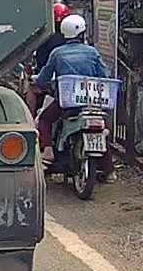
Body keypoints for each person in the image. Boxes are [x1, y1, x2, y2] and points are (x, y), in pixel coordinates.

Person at [32, 14, 108, 163]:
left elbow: (44, 77)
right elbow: (103, 75)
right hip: (90, 101)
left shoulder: (57, 53)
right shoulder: (92, 52)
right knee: (101, 130)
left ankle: (48, 151)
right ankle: (109, 170)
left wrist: (38, 81)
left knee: (44, 120)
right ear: (82, 33)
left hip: (66, 102)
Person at [29, 2, 72, 116]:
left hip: (57, 85)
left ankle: (32, 120)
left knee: (31, 89)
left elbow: (44, 68)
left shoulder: (55, 50)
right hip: (78, 90)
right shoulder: (90, 51)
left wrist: (38, 79)